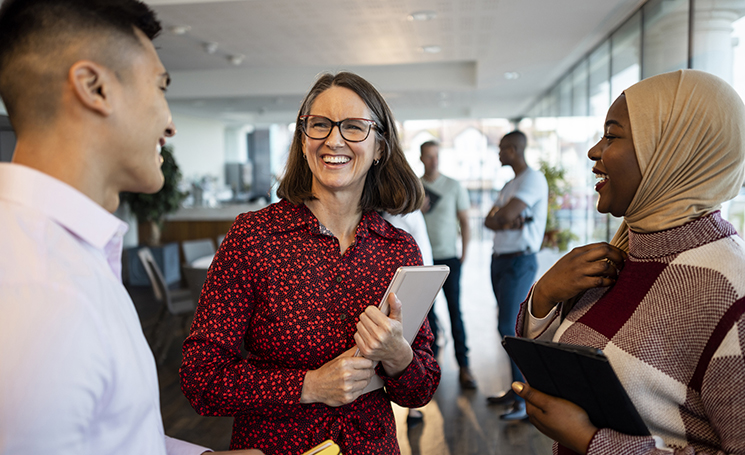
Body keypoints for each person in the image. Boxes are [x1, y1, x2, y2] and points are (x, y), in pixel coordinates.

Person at [0, 1, 262, 454]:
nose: (171, 124)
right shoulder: (40, 291)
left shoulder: (68, 257)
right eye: (160, 88)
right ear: (94, 87)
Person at [180, 72, 441, 455]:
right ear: (304, 140)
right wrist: (310, 385)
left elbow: (422, 388)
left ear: (380, 148)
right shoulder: (254, 237)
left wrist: (398, 355)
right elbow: (200, 377)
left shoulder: (398, 249)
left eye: (354, 127)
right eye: (319, 125)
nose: (333, 139)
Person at [511, 69, 745, 454]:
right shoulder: (622, 256)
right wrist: (545, 295)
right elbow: (558, 367)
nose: (593, 151)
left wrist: (592, 442)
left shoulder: (728, 292)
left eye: (612, 135)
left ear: (672, 151)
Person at [484, 131, 548, 421]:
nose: (498, 154)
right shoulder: (510, 184)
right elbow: (490, 220)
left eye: (501, 149)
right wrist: (502, 218)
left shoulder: (532, 179)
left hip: (519, 262)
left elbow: (504, 216)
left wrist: (504, 218)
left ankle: (525, 400)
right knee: (506, 326)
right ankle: (516, 389)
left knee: (510, 327)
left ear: (513, 149)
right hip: (500, 261)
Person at [419, 140, 477, 389]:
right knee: (426, 316)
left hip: (449, 258)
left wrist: (464, 253)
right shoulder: (415, 187)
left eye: (436, 156)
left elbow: (464, 220)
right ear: (421, 158)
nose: (433, 161)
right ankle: (430, 367)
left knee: (455, 311)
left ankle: (464, 367)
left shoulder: (453, 186)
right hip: (422, 261)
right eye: (429, 156)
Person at [381, 209, 433, 426]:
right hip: (399, 285)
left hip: (413, 284)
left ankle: (413, 410)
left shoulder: (406, 218)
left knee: (410, 342)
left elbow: (423, 255)